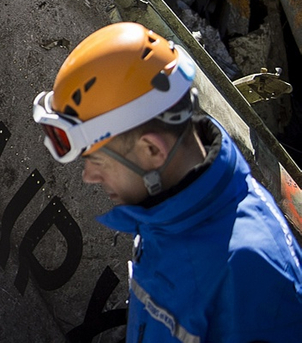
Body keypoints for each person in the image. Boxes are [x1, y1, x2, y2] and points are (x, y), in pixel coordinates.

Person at [32, 21, 302, 343]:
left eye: (96, 160)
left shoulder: (250, 274)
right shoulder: (171, 210)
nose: (88, 176)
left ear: (152, 150)